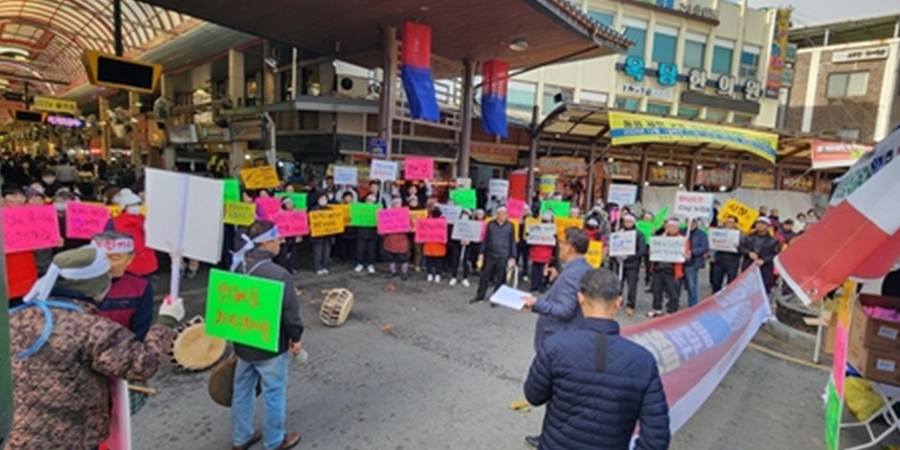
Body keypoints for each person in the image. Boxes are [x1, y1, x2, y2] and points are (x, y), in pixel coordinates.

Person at [7, 245, 183, 449]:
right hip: (71, 439)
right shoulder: (95, 330)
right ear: (97, 288)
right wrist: (166, 320)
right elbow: (142, 365)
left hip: (14, 436)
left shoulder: (12, 317)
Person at [523, 269, 670, 450]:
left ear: (580, 298)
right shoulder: (643, 361)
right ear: (618, 302)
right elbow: (656, 437)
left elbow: (534, 396)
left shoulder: (555, 346)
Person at [229, 221, 304, 450]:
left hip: (243, 341)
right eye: (277, 238)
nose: (281, 241)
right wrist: (295, 338)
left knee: (242, 391)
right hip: (270, 345)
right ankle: (274, 441)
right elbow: (290, 313)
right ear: (266, 242)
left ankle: (241, 437)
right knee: (274, 393)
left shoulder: (237, 267)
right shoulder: (278, 274)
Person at [523, 227, 593, 350]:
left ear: (570, 247)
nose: (559, 245)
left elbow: (565, 310)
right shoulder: (585, 267)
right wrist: (557, 278)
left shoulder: (571, 274)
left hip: (557, 335)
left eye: (562, 242)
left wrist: (535, 302)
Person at [92, 232, 155, 341]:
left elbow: (140, 331)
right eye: (99, 257)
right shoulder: (76, 283)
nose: (105, 263)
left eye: (115, 258)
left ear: (130, 258)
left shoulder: (140, 288)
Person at [471, 206, 517, 303]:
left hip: (503, 255)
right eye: (501, 214)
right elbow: (486, 240)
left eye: (505, 214)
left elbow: (512, 241)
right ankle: (480, 296)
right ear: (497, 214)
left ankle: (497, 298)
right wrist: (481, 253)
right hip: (490, 254)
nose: (504, 216)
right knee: (484, 276)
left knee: (500, 278)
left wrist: (513, 256)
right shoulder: (491, 224)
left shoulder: (510, 225)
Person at [107, 188, 157, 277]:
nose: (136, 207)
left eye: (138, 204)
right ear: (125, 207)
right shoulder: (113, 222)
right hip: (125, 264)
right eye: (133, 205)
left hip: (145, 261)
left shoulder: (146, 220)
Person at [647, 219, 684, 318]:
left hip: (672, 270)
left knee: (673, 291)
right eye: (669, 227)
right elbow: (652, 250)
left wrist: (685, 255)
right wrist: (651, 251)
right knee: (657, 290)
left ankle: (672, 310)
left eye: (673, 227)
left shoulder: (681, 240)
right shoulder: (660, 239)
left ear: (677, 228)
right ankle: (656, 308)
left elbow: (687, 254)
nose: (671, 229)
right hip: (658, 268)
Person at [740, 217, 781, 291]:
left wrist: (764, 260)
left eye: (762, 224)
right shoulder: (748, 237)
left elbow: (775, 254)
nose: (759, 225)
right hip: (748, 266)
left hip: (764, 269)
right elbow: (741, 247)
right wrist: (749, 253)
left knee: (762, 289)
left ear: (768, 227)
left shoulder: (773, 241)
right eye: (758, 223)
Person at [619, 214, 648, 316]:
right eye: (626, 221)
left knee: (632, 285)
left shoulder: (639, 234)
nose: (627, 223)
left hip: (633, 264)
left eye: (629, 222)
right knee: (618, 284)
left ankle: (630, 305)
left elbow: (642, 250)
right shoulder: (620, 232)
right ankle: (618, 301)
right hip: (620, 262)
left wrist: (630, 256)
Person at [710, 216, 742, 293]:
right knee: (716, 283)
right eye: (727, 222)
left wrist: (739, 247)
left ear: (735, 224)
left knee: (731, 284)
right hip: (719, 261)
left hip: (732, 262)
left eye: (731, 222)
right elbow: (713, 244)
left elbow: (744, 248)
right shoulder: (719, 232)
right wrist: (712, 255)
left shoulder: (740, 235)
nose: (729, 224)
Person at [683, 218, 710, 308]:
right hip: (680, 262)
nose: (691, 224)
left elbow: (704, 247)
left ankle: (693, 304)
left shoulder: (702, 234)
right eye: (689, 221)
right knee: (678, 285)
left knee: (692, 285)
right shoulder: (681, 232)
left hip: (692, 262)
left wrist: (692, 252)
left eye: (693, 222)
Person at [383, 198, 411, 280]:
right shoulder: (387, 214)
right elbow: (382, 227)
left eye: (399, 204)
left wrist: (407, 228)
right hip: (390, 239)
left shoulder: (405, 214)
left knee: (403, 258)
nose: (397, 205)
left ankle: (404, 272)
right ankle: (393, 271)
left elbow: (410, 226)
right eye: (396, 204)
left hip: (401, 239)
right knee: (391, 257)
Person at [528, 212, 556, 293]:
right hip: (538, 252)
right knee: (537, 270)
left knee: (541, 270)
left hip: (544, 253)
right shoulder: (538, 229)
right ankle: (537, 285)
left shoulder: (552, 230)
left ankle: (539, 285)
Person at [354, 194, 379, 274]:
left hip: (372, 233)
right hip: (361, 232)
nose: (369, 202)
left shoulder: (377, 210)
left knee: (371, 250)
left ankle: (370, 264)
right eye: (368, 200)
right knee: (360, 249)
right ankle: (359, 263)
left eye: (371, 201)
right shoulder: (361, 209)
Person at [309, 192, 332, 275]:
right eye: (321, 198)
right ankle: (318, 267)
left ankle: (325, 266)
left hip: (328, 235)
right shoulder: (314, 210)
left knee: (327, 252)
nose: (323, 200)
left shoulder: (330, 209)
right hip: (317, 235)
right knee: (318, 252)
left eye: (325, 198)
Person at [277, 197, 301, 274]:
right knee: (283, 253)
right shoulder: (279, 214)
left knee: (294, 252)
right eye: (288, 203)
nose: (290, 204)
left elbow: (300, 225)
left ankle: (292, 267)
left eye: (291, 203)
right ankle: (283, 268)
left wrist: (299, 235)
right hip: (284, 237)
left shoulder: (297, 213)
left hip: (294, 236)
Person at [423, 206, 447, 283]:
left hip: (432, 244)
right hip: (436, 245)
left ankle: (431, 274)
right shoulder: (443, 221)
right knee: (437, 261)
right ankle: (437, 274)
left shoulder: (427, 221)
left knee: (431, 261)